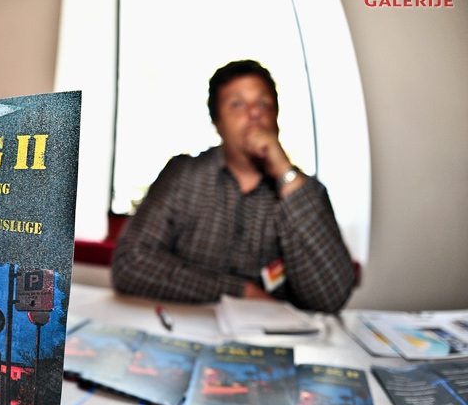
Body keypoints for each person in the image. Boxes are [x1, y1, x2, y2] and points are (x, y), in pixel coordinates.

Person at [111, 60, 355, 313]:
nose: (254, 113)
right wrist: (241, 292)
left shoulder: (306, 192)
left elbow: (330, 298)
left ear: (276, 116)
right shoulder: (182, 176)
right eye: (238, 104)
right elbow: (130, 264)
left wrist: (284, 171)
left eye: (264, 103)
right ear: (217, 123)